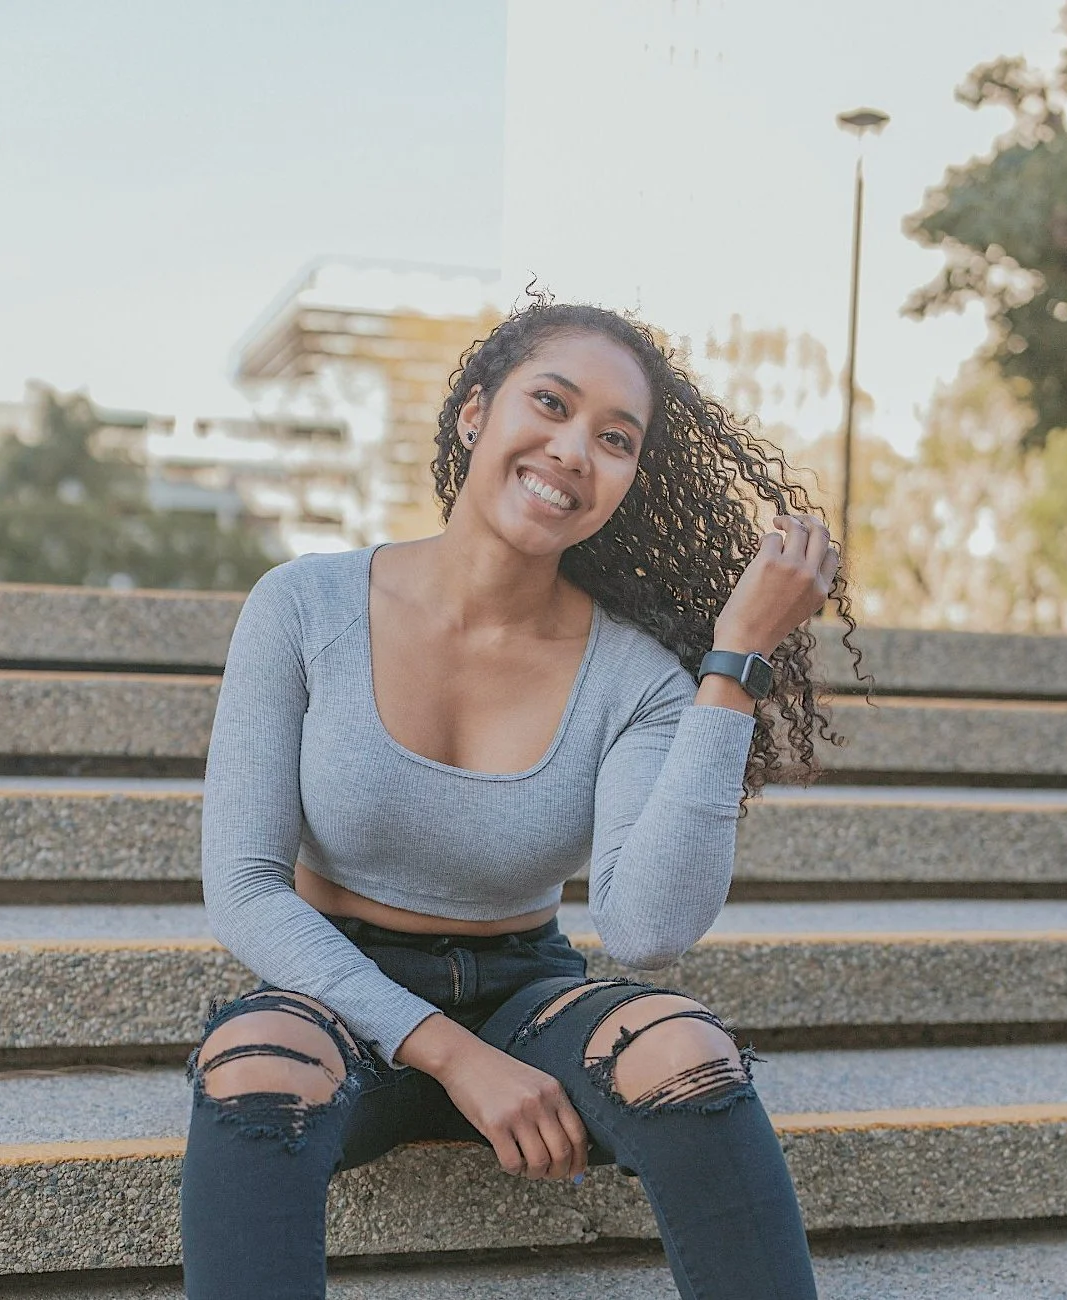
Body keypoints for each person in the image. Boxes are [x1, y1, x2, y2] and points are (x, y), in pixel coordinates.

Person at [180, 296, 861, 1299]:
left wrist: (736, 661)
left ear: (630, 478)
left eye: (616, 438)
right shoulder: (304, 604)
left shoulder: (638, 677)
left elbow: (645, 927)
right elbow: (244, 883)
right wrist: (451, 1056)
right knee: (252, 1062)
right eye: (550, 402)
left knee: (688, 1048)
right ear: (474, 414)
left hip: (526, 996)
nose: (574, 448)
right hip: (335, 987)